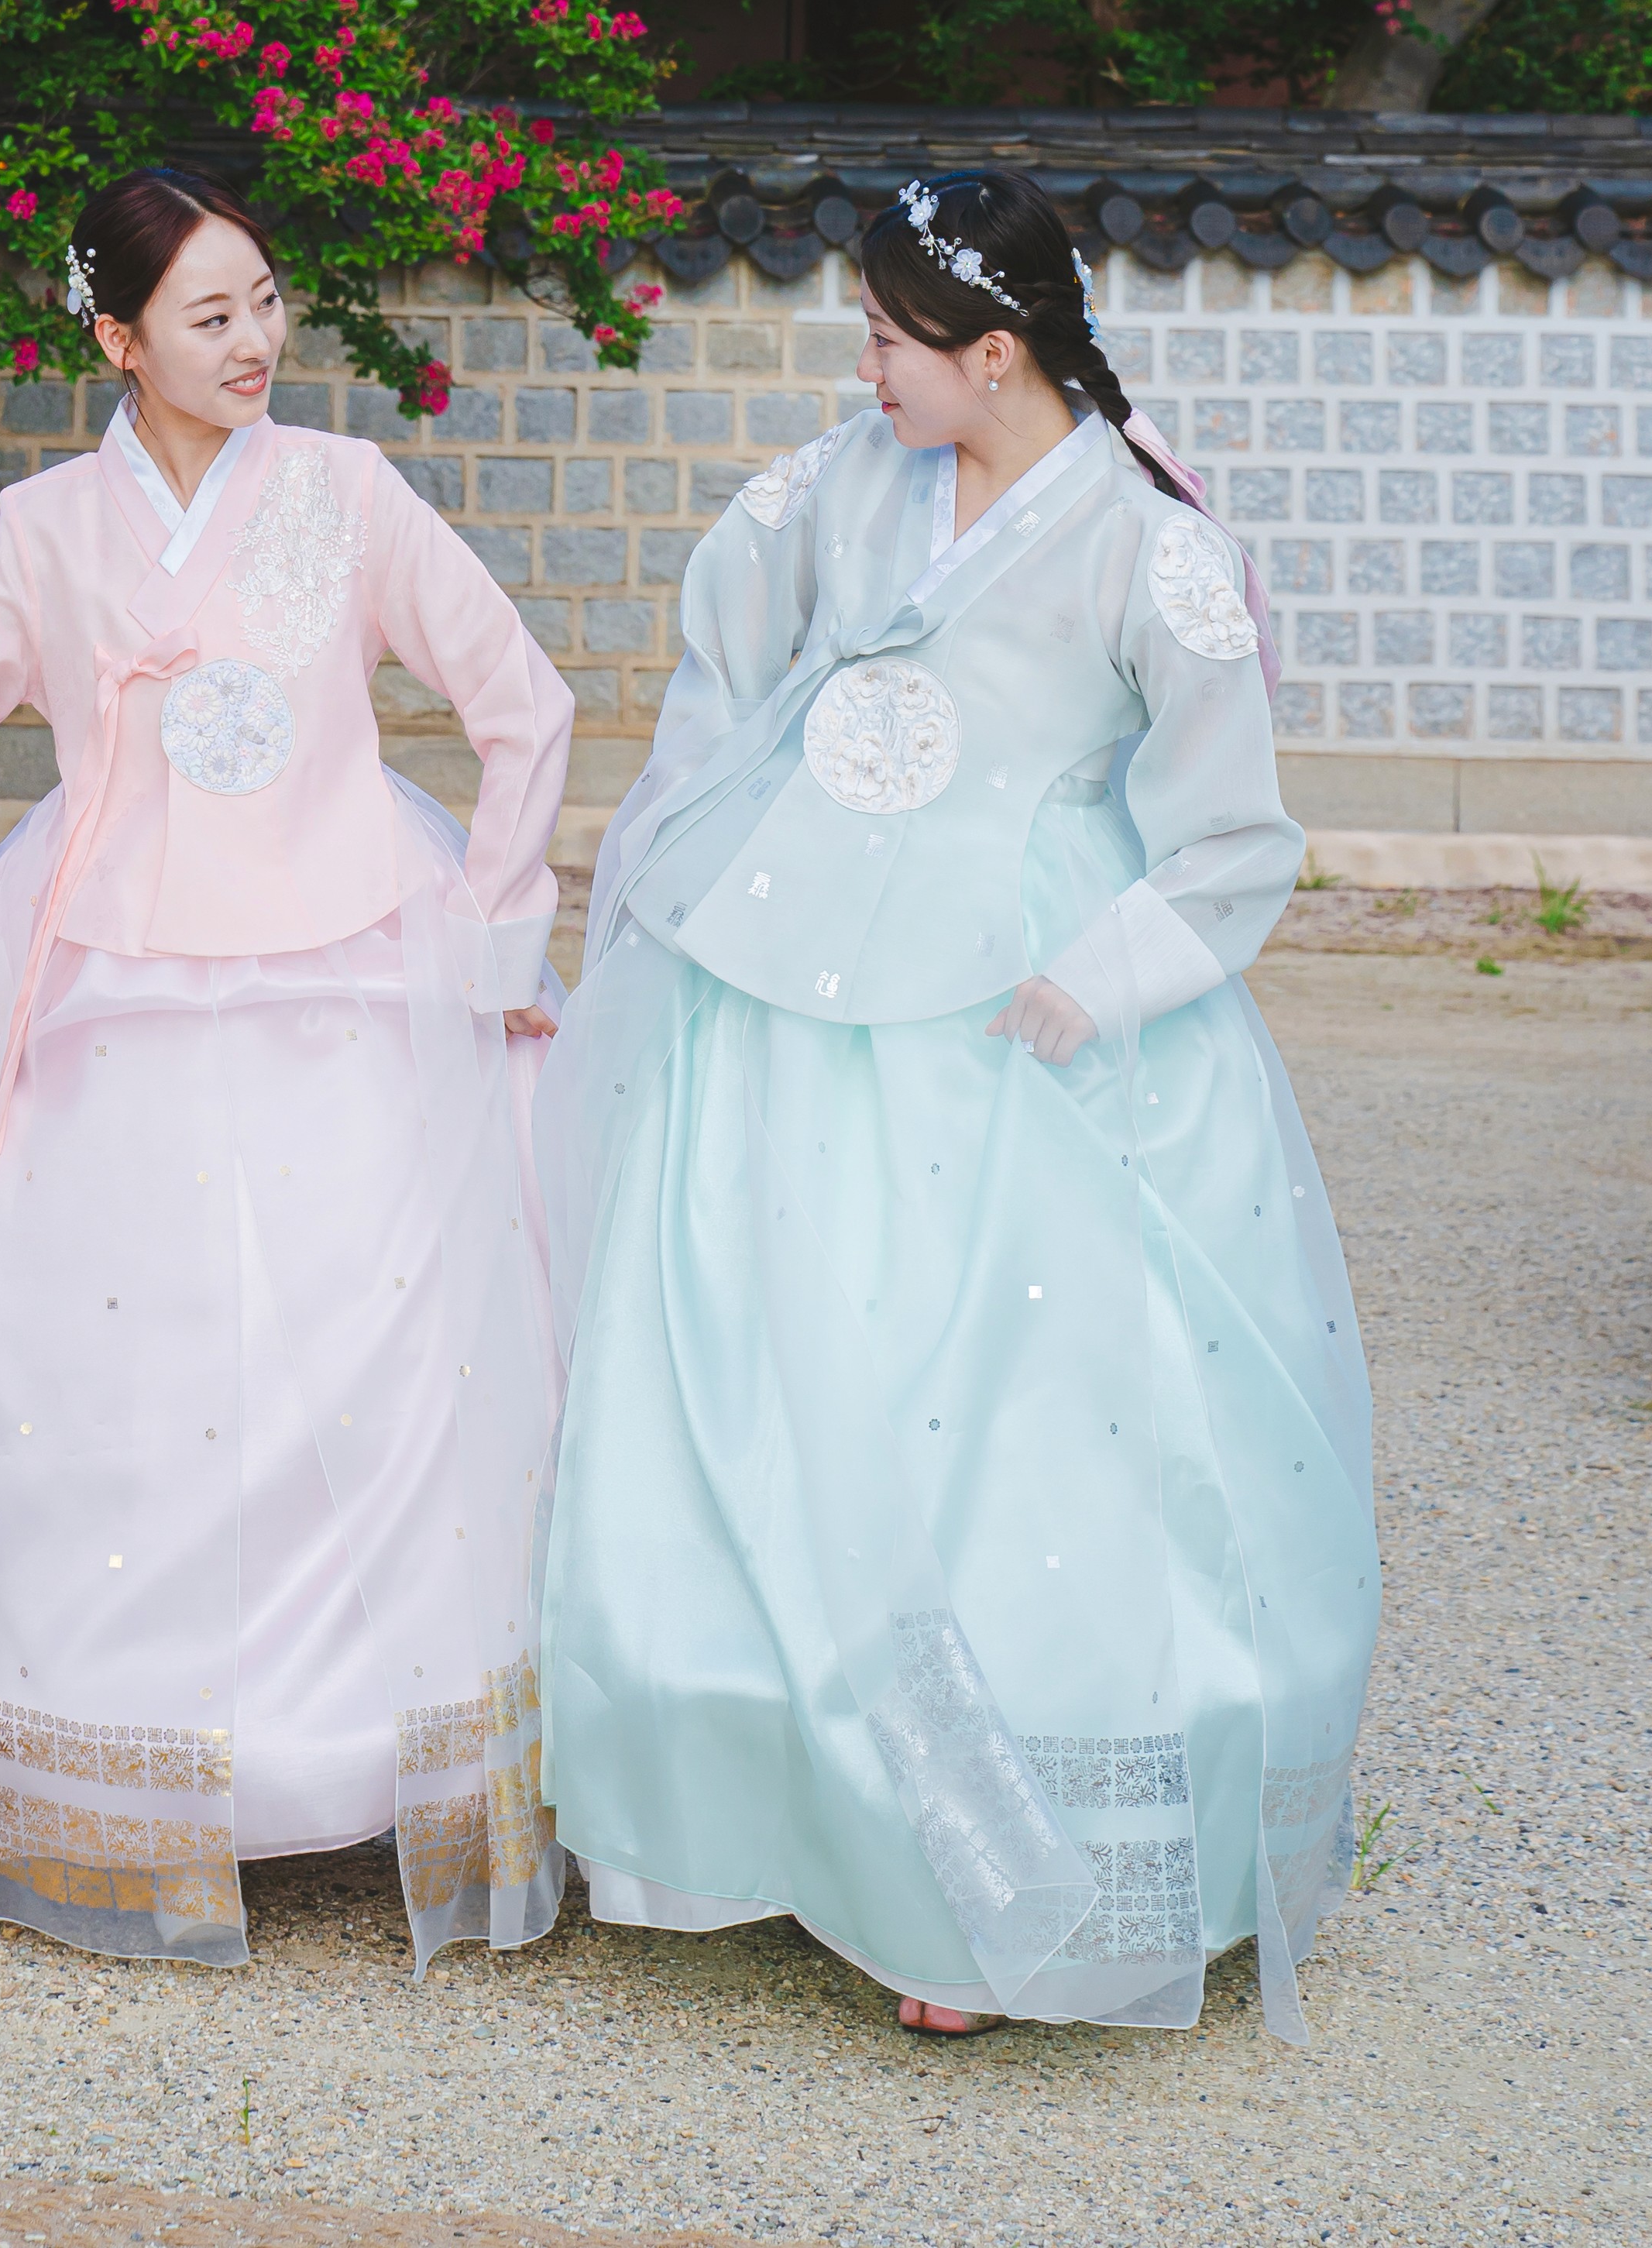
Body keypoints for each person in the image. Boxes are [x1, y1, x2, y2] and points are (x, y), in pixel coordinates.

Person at [534, 168, 1377, 2040]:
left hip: (1018, 1004)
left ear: (994, 354)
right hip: (792, 982)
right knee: (763, 1376)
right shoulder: (841, 484)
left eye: (888, 342)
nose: (864, 371)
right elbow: (722, 647)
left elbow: (1235, 832)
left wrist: (1108, 971)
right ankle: (756, 1818)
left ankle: (995, 1870)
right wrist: (707, 827)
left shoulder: (1145, 545)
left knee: (1010, 1416)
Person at [0, 165, 573, 1974]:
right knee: (119, 1365)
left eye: (264, 302)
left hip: (348, 967)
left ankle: (351, 1755)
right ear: (116, 339)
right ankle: (127, 1757)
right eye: (208, 315)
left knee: (365, 1345)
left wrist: (494, 936)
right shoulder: (45, 530)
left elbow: (522, 704)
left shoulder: (346, 492)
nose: (256, 340)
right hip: (106, 981)